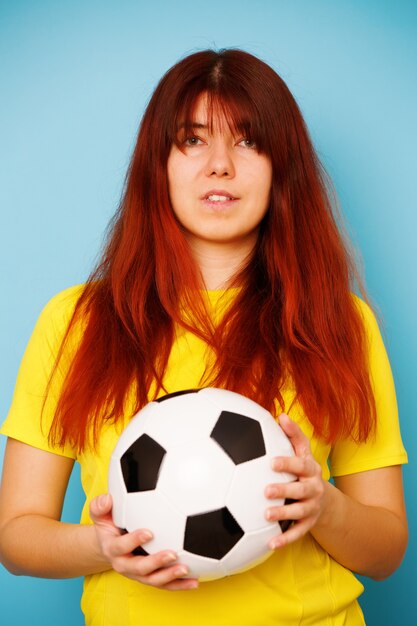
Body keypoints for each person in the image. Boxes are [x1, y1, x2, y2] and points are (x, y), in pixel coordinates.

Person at [0, 48, 408, 626]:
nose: (220, 164)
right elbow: (16, 536)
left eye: (247, 141)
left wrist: (326, 507)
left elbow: (387, 550)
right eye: (192, 140)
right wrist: (104, 549)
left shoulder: (338, 322)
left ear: (281, 166)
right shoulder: (76, 322)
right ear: (157, 164)